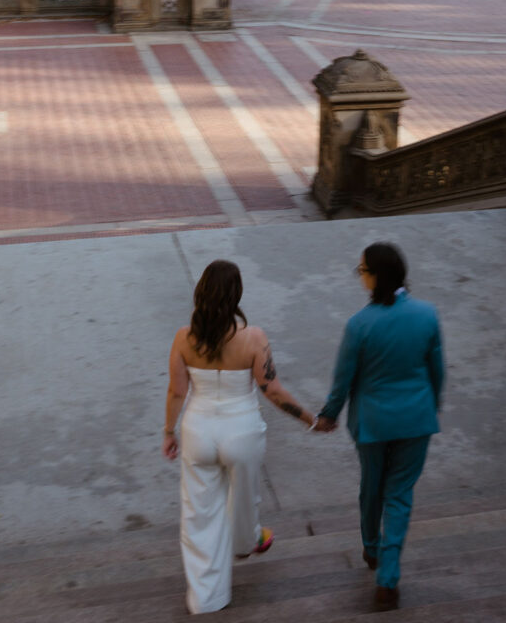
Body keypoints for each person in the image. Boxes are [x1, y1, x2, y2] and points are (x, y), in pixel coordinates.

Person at [163, 260, 319, 614]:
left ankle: (206, 598)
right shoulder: (253, 338)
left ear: (200, 291)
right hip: (242, 431)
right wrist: (311, 420)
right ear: (237, 295)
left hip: (198, 430)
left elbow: (176, 392)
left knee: (199, 513)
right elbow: (273, 391)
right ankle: (247, 541)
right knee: (245, 497)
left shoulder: (184, 338)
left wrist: (169, 432)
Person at [317, 242, 444, 613]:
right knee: (400, 496)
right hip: (416, 421)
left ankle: (371, 548)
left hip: (372, 424)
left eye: (362, 270)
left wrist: (329, 414)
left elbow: (343, 379)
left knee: (371, 487)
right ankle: (388, 578)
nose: (360, 276)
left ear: (375, 277)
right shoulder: (427, 315)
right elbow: (437, 372)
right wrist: (427, 409)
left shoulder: (359, 325)